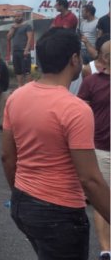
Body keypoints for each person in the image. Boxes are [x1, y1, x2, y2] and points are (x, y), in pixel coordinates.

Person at [2, 28, 109, 258]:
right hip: (60, 214)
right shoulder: (75, 109)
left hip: (23, 203)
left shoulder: (16, 97)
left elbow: (8, 158)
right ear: (74, 59)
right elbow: (89, 179)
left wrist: (19, 195)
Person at [77, 40, 111, 260]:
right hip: (103, 150)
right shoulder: (92, 82)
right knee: (103, 198)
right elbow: (78, 111)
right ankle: (106, 249)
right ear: (105, 58)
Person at [7, 11, 33, 87]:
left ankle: (29, 87)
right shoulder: (13, 27)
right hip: (15, 51)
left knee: (26, 71)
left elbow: (30, 38)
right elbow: (8, 38)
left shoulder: (27, 26)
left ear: (22, 17)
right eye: (15, 17)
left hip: (24, 51)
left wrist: (26, 49)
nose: (16, 18)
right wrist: (13, 28)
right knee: (18, 71)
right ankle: (20, 86)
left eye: (18, 16)